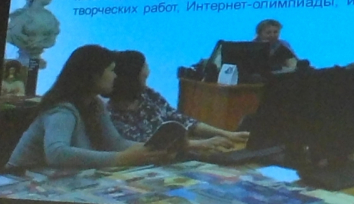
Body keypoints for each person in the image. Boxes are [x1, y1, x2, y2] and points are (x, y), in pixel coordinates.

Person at [6, 45, 170, 169]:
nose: (115, 76)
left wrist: (152, 151)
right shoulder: (62, 108)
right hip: (20, 181)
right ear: (93, 74)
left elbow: (115, 142)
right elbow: (56, 153)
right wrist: (121, 159)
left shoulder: (95, 104)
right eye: (111, 70)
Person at [107, 50, 249, 153]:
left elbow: (182, 120)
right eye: (145, 67)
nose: (148, 71)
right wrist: (201, 144)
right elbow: (146, 145)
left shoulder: (148, 95)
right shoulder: (110, 110)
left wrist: (227, 134)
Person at [6, 0, 61, 67]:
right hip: (23, 61)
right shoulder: (21, 15)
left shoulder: (51, 18)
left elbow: (52, 36)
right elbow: (14, 34)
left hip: (36, 61)